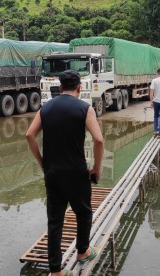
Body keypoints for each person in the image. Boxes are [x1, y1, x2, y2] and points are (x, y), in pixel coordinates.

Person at [26, 70, 104, 276]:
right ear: (79, 87)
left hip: (53, 173)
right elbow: (99, 140)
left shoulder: (45, 108)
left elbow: (29, 135)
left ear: (60, 88)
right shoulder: (85, 108)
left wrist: (43, 163)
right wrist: (96, 168)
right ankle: (82, 251)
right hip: (76, 173)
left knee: (55, 220)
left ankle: (55, 271)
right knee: (84, 212)